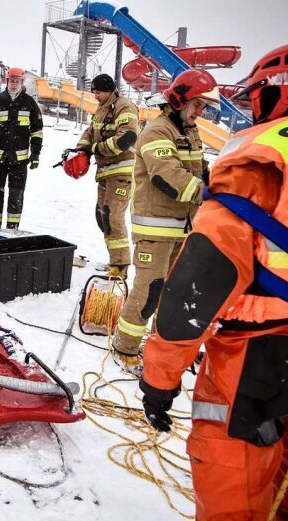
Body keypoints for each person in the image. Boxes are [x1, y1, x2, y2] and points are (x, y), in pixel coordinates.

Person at [139, 39, 288, 520]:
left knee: (236, 489)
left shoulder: (265, 159)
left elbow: (196, 291)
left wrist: (159, 379)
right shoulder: (160, 130)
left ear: (274, 92)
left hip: (263, 362)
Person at [113, 69, 218, 375]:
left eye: (204, 107)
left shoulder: (189, 131)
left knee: (175, 292)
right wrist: (207, 192)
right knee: (149, 291)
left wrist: (221, 178)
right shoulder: (157, 132)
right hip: (155, 229)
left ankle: (163, 346)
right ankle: (125, 348)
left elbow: (199, 168)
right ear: (179, 100)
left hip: (182, 228)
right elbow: (166, 174)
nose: (201, 113)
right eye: (198, 105)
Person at [70, 74, 138, 277]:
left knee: (113, 216)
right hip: (105, 172)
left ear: (109, 90)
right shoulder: (102, 109)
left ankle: (120, 266)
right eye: (94, 92)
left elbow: (126, 138)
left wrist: (94, 149)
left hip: (121, 171)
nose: (95, 96)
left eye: (98, 92)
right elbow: (91, 132)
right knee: (103, 217)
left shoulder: (125, 107)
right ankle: (114, 260)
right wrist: (80, 149)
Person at [0, 67, 43, 230]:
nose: (14, 84)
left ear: (22, 82)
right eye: (11, 80)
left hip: (19, 162)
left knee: (16, 196)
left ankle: (12, 229)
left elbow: (37, 132)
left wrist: (35, 154)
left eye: (17, 81)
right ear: (7, 81)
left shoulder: (30, 103)